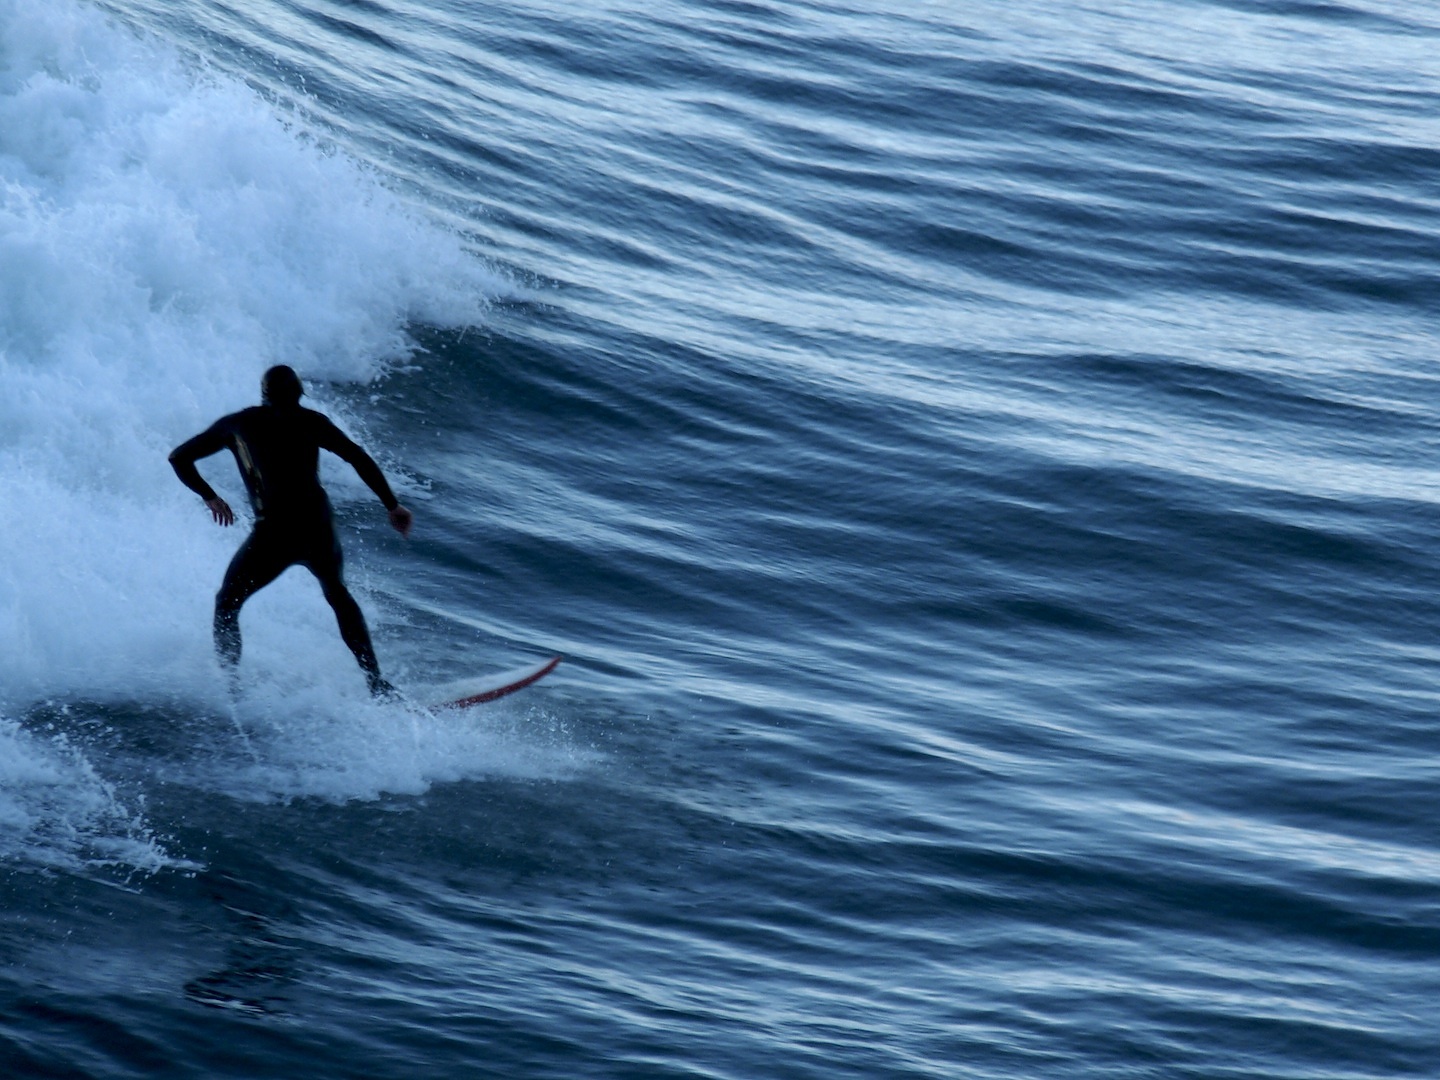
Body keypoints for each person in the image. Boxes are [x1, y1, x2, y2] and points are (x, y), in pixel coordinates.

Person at [169, 365, 413, 697]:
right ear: (299, 393)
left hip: (274, 533)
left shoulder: (238, 424)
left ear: (264, 394)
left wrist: (210, 497)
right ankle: (376, 683)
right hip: (317, 527)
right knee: (338, 595)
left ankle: (230, 689)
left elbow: (179, 458)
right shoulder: (312, 422)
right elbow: (357, 457)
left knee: (227, 603)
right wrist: (392, 505)